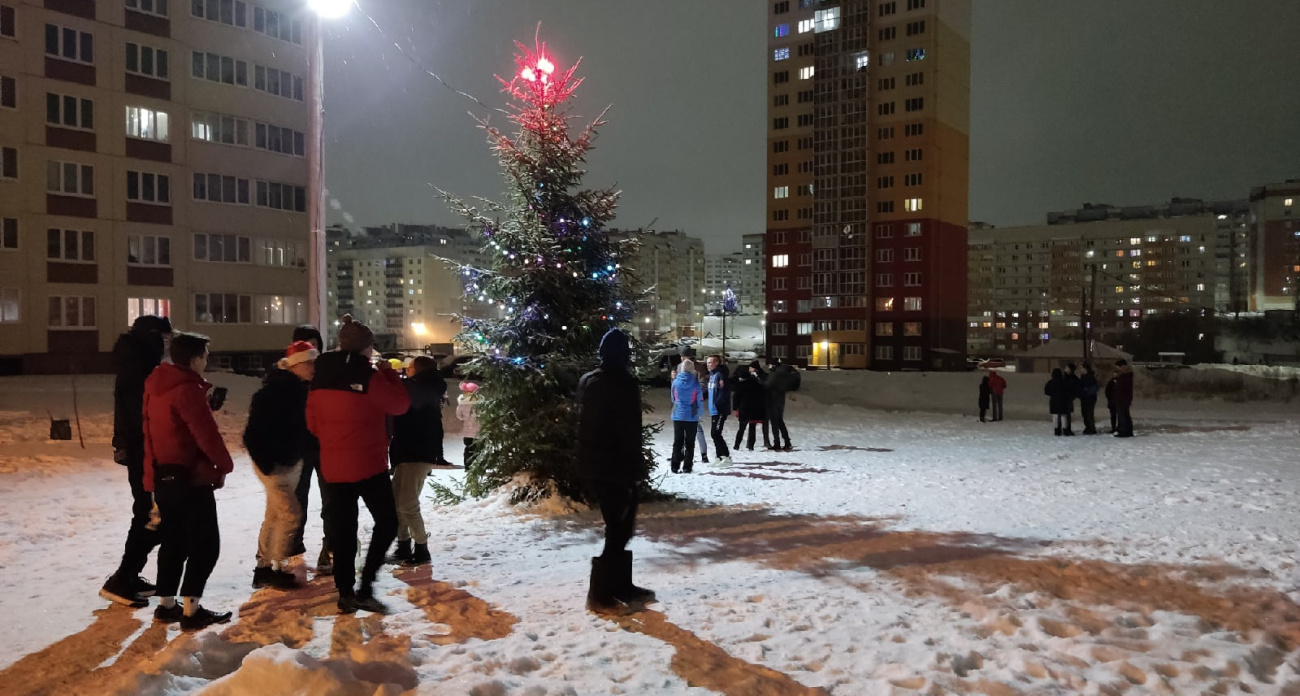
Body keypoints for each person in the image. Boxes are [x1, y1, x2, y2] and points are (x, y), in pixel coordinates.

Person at [307, 315, 410, 614]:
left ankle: (344, 593)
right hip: (368, 465)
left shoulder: (321, 376)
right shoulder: (370, 376)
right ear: (367, 347)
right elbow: (400, 405)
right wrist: (390, 375)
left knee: (342, 529)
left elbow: (312, 423)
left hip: (334, 466)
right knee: (388, 522)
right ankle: (365, 586)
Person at [144, 332, 235, 631]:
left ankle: (166, 605)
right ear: (195, 359)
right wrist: (225, 463)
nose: (206, 362)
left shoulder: (156, 385)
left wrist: (149, 477)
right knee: (206, 544)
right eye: (206, 357)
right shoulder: (187, 390)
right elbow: (205, 434)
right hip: (191, 478)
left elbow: (149, 434)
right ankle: (191, 611)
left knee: (174, 541)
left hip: (165, 476)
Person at [576, 329, 653, 614]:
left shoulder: (588, 381)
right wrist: (634, 468)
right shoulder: (622, 384)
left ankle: (620, 585)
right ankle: (601, 592)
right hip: (616, 467)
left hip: (596, 464)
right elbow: (627, 432)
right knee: (620, 527)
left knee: (618, 526)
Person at [101, 315, 173, 608]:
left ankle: (130, 575)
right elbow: (143, 416)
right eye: (164, 339)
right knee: (151, 515)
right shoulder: (139, 368)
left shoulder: (138, 362)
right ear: (152, 338)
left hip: (141, 449)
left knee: (149, 514)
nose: (167, 345)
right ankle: (123, 578)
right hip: (145, 452)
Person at [243, 340, 318, 591]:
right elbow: (252, 434)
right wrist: (267, 464)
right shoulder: (274, 393)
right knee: (290, 515)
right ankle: (274, 567)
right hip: (275, 465)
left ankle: (265, 567)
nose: (313, 367)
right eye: (309, 362)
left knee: (275, 515)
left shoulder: (301, 390)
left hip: (289, 462)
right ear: (296, 365)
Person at [388, 355, 447, 566]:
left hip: (417, 452)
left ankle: (421, 549)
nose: (407, 370)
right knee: (397, 502)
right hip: (407, 451)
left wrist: (388, 375)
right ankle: (403, 546)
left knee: (407, 504)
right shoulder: (424, 387)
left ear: (419, 369)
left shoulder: (424, 387)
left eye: (410, 367)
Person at [287, 325, 330, 574]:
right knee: (297, 499)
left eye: (315, 344)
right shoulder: (288, 380)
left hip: (324, 446)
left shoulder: (325, 374)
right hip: (299, 449)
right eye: (306, 344)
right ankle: (293, 543)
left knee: (330, 501)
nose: (312, 350)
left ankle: (329, 548)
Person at [669, 359, 701, 474]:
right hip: (691, 416)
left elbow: (673, 398)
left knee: (677, 442)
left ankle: (674, 465)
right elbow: (699, 400)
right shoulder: (695, 383)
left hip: (678, 415)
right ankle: (687, 466)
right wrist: (699, 413)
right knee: (690, 443)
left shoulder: (675, 382)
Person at [732, 361, 769, 452]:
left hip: (744, 409)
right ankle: (751, 445)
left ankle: (737, 445)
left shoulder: (740, 385)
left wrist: (735, 408)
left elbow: (736, 397)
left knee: (741, 428)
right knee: (752, 428)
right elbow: (762, 395)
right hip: (755, 409)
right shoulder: (757, 384)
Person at [765, 359, 800, 451]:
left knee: (774, 422)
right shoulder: (785, 372)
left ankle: (777, 443)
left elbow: (767, 385)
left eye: (769, 365)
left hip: (773, 398)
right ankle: (787, 442)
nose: (768, 367)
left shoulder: (776, 373)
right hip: (781, 398)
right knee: (780, 421)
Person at [705, 355, 732, 467]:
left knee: (716, 433)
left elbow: (723, 392)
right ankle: (719, 456)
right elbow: (709, 391)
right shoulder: (712, 375)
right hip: (713, 410)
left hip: (720, 409)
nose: (708, 365)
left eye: (710, 362)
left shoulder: (720, 375)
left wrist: (718, 404)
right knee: (714, 433)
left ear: (716, 363)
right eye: (707, 362)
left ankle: (726, 457)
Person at [457, 381, 481, 467]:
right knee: (477, 448)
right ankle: (476, 465)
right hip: (478, 431)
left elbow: (459, 415)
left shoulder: (463, 403)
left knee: (468, 448)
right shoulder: (480, 403)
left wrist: (465, 419)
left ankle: (467, 465)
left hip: (467, 431)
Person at [1044, 367, 1074, 436]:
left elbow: (1046, 391)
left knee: (1055, 416)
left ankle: (1056, 430)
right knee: (1063, 416)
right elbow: (1069, 391)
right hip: (1063, 401)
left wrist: (1053, 394)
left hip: (1054, 401)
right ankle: (1065, 429)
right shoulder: (1064, 382)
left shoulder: (1051, 382)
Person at [1111, 358, 1135, 438]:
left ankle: (1124, 431)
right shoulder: (1127, 374)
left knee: (1122, 415)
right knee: (1125, 414)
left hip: (1122, 398)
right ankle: (1127, 431)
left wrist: (1116, 379)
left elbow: (1121, 386)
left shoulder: (1124, 375)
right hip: (1124, 398)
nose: (1116, 368)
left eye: (1117, 366)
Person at [1078, 363, 1100, 435]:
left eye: (1081, 368)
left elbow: (1095, 388)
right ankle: (1088, 426)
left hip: (1090, 398)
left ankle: (1091, 428)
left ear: (1085, 369)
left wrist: (1086, 391)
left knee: (1089, 413)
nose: (1080, 369)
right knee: (1084, 413)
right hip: (1084, 398)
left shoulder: (1090, 377)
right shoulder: (1083, 377)